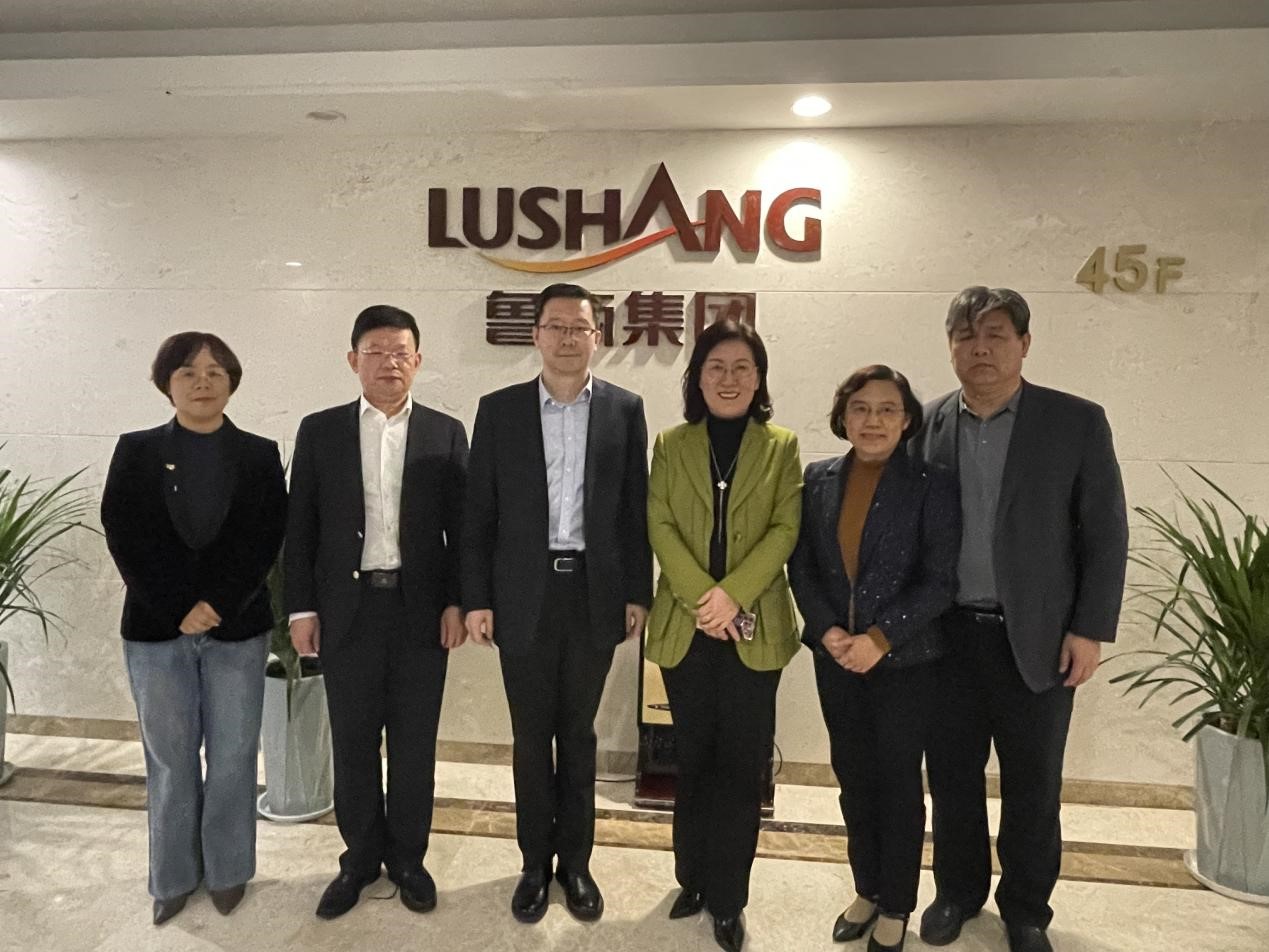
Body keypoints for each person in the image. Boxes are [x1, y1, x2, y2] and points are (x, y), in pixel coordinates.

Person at [913, 287, 1128, 952]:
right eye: (965, 336)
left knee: (1033, 784)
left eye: (996, 335)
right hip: (946, 638)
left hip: (1036, 638)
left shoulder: (1075, 422)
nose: (980, 349)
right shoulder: (925, 423)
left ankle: (1027, 908)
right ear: (949, 345)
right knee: (951, 777)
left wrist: (1089, 629)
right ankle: (956, 892)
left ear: (1024, 344)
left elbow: (1104, 533)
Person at [462, 282, 652, 925]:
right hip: (523, 593)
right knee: (529, 735)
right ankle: (531, 865)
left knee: (578, 733)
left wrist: (637, 591)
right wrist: (477, 598)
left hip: (594, 593)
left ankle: (576, 863)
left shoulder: (624, 409)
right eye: (556, 326)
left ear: (597, 337)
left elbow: (633, 509)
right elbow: (479, 514)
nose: (569, 338)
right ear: (536, 335)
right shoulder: (499, 410)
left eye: (580, 327)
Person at [284, 305, 468, 919]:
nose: (389, 362)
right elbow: (301, 527)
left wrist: (457, 601)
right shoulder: (321, 431)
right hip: (347, 611)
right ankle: (359, 859)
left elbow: (463, 530)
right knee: (354, 741)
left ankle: (409, 859)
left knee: (415, 743)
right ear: (352, 360)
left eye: (401, 352)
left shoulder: (446, 432)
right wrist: (301, 609)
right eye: (376, 351)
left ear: (418, 360)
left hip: (421, 612)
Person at [101, 332, 286, 926]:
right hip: (156, 631)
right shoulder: (136, 450)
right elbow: (124, 535)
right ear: (166, 383)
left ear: (232, 382)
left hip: (237, 628)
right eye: (187, 372)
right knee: (170, 759)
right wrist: (180, 606)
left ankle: (229, 871)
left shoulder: (259, 454)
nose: (202, 382)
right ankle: (173, 877)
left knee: (233, 755)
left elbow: (264, 539)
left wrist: (217, 603)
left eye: (214, 372)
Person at [788, 365, 960, 952]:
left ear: (907, 420)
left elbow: (940, 580)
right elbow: (802, 566)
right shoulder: (819, 478)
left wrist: (880, 639)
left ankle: (896, 905)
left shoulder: (932, 483)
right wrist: (828, 630)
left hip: (905, 662)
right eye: (860, 408)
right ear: (843, 417)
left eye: (888, 409)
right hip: (836, 658)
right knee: (853, 780)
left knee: (898, 786)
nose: (873, 421)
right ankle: (866, 888)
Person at [645, 319, 802, 952]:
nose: (729, 378)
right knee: (693, 759)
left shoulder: (782, 446)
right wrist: (703, 599)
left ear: (759, 378)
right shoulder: (671, 444)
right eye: (716, 367)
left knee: (741, 767)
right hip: (687, 627)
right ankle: (692, 877)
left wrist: (732, 594)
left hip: (754, 630)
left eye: (742, 367)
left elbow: (785, 528)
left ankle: (730, 897)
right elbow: (659, 523)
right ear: (698, 378)